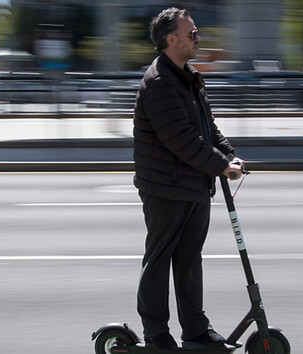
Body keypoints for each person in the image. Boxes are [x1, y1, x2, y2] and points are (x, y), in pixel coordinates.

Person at [132, 7, 244, 350]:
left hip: (194, 185)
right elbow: (182, 139)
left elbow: (207, 128)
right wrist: (220, 166)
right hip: (165, 189)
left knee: (190, 260)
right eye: (192, 34)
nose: (198, 38)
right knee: (159, 260)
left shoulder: (188, 76)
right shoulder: (159, 83)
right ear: (171, 39)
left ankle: (195, 328)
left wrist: (229, 154)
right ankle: (155, 333)